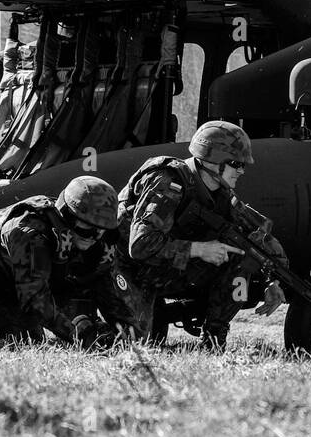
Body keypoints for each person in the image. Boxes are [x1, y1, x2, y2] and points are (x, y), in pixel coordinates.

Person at [115, 121, 285, 348]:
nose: (242, 171)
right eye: (236, 164)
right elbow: (140, 246)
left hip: (163, 267)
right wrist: (199, 249)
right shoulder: (168, 182)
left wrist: (271, 281)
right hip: (128, 269)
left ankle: (214, 338)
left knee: (239, 254)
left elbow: (258, 237)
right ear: (213, 163)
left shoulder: (221, 195)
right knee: (137, 344)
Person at [0, 176, 136, 345]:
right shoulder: (30, 233)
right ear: (68, 217)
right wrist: (80, 338)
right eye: (88, 228)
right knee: (21, 338)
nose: (95, 237)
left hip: (13, 285)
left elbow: (105, 288)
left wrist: (128, 335)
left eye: (102, 230)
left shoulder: (91, 238)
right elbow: (35, 301)